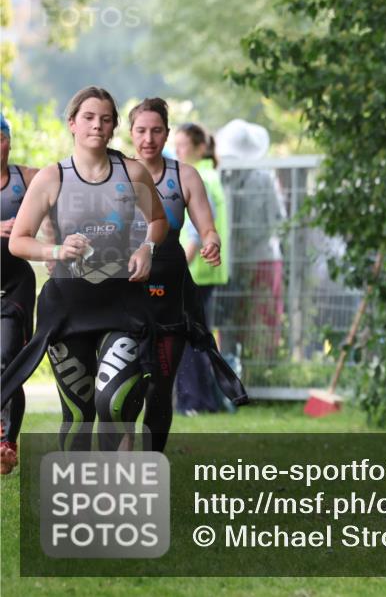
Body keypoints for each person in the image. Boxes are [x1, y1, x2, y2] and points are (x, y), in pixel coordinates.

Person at [1, 86, 165, 452]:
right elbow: (19, 241)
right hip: (67, 310)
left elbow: (158, 220)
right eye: (88, 117)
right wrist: (56, 250)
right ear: (72, 123)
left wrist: (147, 248)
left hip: (122, 305)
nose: (97, 125)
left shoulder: (133, 173)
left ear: (113, 127)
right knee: (78, 414)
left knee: (114, 403)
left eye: (105, 119)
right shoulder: (51, 177)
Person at [127, 99, 246, 452]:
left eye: (156, 131)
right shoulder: (116, 174)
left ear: (166, 133)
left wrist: (211, 243)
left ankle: (150, 461)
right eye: (141, 130)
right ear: (130, 133)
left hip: (171, 294)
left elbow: (207, 229)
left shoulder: (185, 176)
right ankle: (121, 456)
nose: (148, 139)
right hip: (124, 293)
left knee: (160, 386)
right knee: (123, 385)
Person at [214, 119, 286, 370]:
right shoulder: (225, 178)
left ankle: (254, 372)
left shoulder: (258, 178)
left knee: (251, 318)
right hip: (243, 261)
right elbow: (279, 219)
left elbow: (277, 220)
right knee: (239, 318)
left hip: (250, 260)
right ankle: (242, 372)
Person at [174, 122, 231, 414]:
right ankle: (211, 400)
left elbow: (198, 230)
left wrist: (179, 266)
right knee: (198, 335)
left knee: (190, 337)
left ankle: (196, 401)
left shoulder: (198, 177)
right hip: (206, 270)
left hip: (196, 269)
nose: (178, 151)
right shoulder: (209, 175)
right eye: (176, 145)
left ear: (200, 147)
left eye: (183, 145)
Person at [1, 113, 39, 474]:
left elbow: (68, 189)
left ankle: (6, 442)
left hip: (15, 286)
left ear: (8, 141)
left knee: (7, 360)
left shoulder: (26, 178)